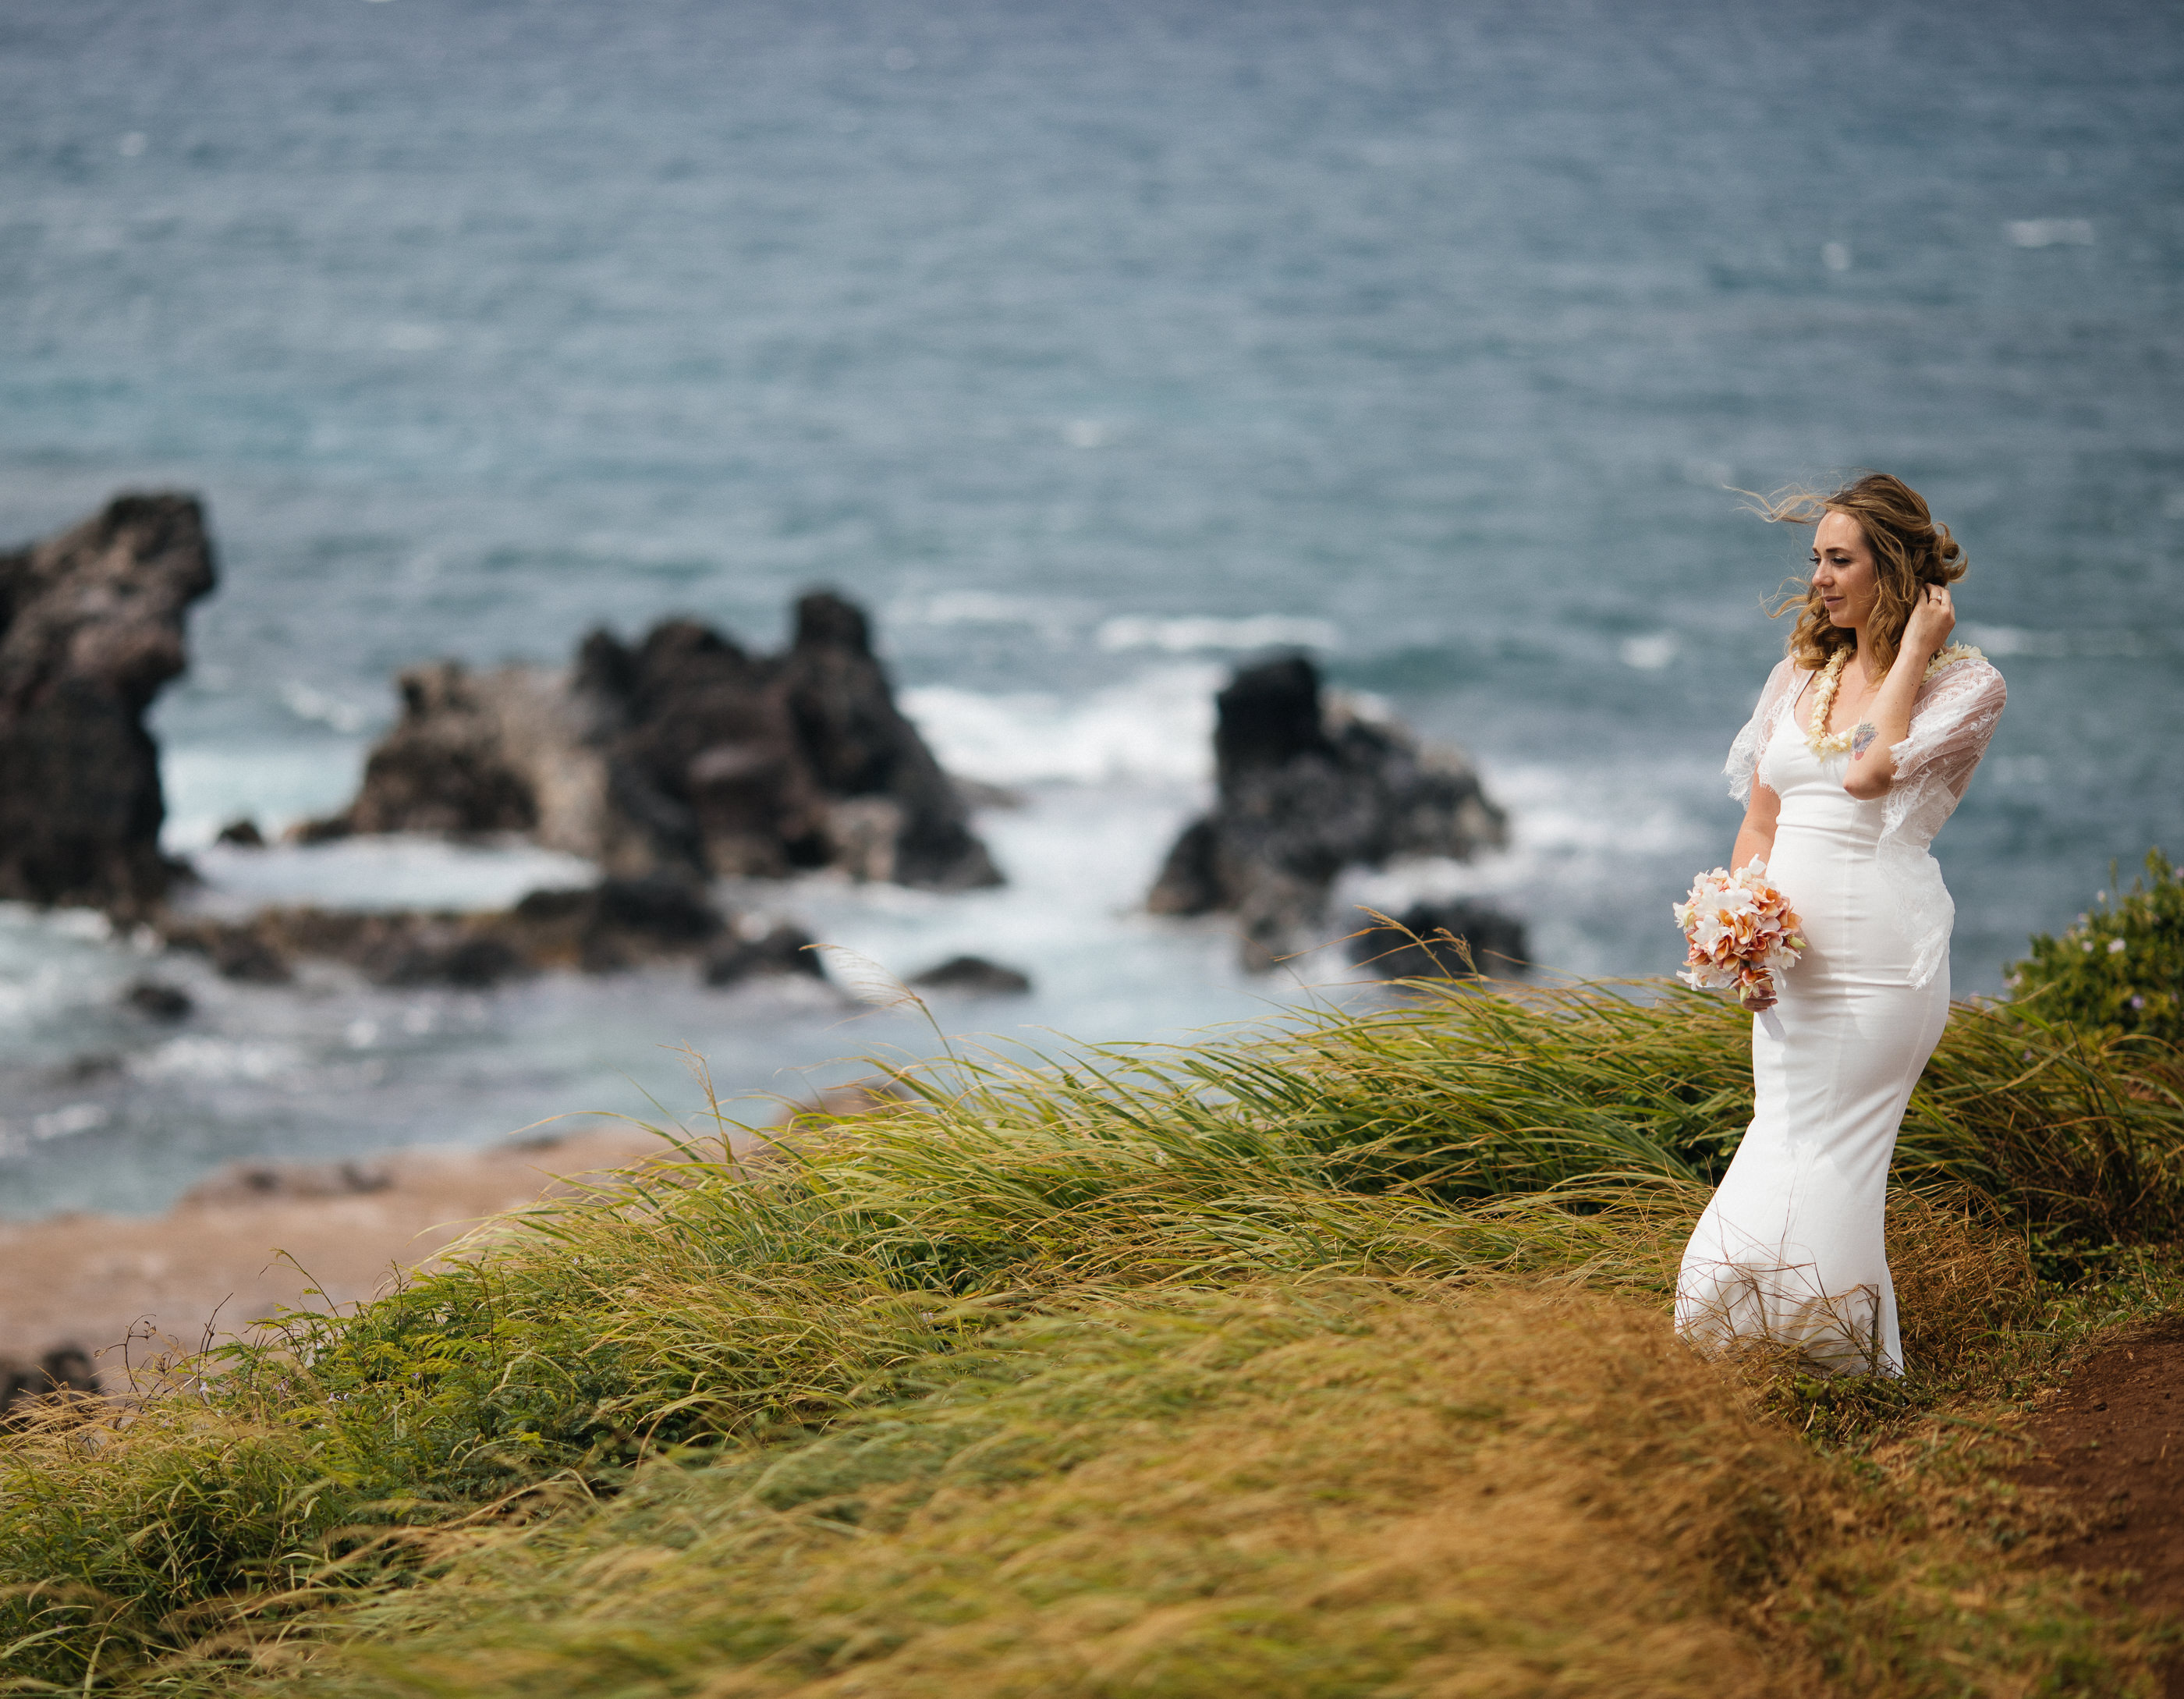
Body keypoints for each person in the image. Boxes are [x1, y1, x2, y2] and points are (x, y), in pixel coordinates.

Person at [1674, 473, 2007, 1375]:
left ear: (1892, 570)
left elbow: (1866, 775)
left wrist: (1909, 654)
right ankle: (1748, 1357)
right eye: (1816, 559)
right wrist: (1735, 929)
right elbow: (1761, 820)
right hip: (1791, 968)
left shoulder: (1964, 685)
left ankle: (1843, 1371)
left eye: (1838, 560)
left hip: (1881, 966)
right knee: (1777, 1137)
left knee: (1837, 1162)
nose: (1818, 578)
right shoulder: (1798, 677)